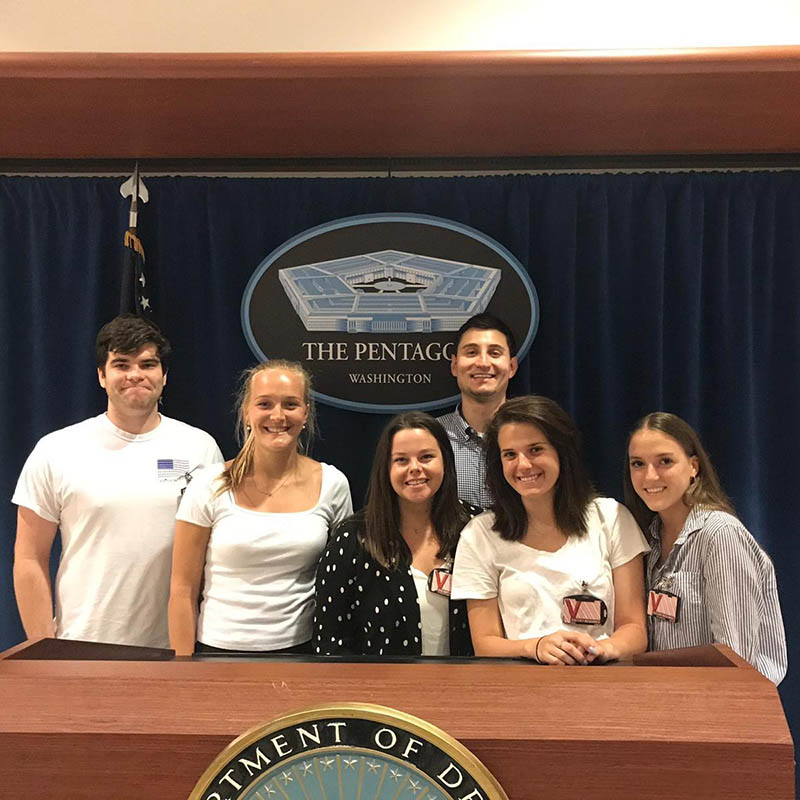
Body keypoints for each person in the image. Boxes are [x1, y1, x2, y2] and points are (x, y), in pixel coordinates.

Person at [12, 314, 223, 649]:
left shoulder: (200, 448)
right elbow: (28, 558)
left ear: (164, 376)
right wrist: (45, 648)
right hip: (81, 647)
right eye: (121, 365)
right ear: (101, 375)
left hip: (176, 649)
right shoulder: (56, 450)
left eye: (148, 364)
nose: (135, 374)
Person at [168, 360, 352, 656]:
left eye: (290, 404)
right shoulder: (208, 484)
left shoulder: (333, 484)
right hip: (217, 653)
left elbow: (341, 582)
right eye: (265, 404)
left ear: (305, 412)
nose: (278, 416)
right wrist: (183, 670)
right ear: (247, 412)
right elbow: (182, 589)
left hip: (300, 652)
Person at [452, 395, 648, 665]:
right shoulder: (479, 535)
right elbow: (485, 643)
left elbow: (635, 630)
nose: (523, 464)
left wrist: (601, 649)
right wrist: (537, 647)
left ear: (560, 451)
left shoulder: (612, 518)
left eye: (535, 450)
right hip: (521, 690)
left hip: (603, 684)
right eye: (510, 454)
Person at [624, 412, 787, 683]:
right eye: (638, 464)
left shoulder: (719, 535)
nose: (650, 476)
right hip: (669, 704)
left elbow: (736, 659)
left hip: (721, 710)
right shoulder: (648, 541)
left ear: (693, 467)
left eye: (665, 461)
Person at [313, 412, 480, 657]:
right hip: (379, 692)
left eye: (426, 457)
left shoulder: (476, 528)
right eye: (401, 460)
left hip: (466, 689)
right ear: (386, 468)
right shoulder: (353, 538)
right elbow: (330, 642)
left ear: (445, 460)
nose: (415, 468)